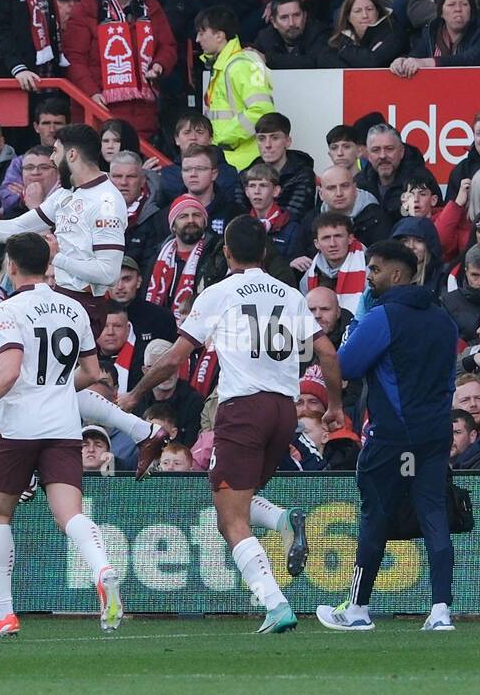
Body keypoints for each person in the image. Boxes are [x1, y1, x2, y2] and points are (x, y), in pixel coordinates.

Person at [124, 218, 341, 633]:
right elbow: (328, 355)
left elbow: (172, 358)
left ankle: (274, 603)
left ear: (226, 253)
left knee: (229, 519)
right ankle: (281, 520)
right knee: (232, 497)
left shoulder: (219, 293)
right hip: (283, 411)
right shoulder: (289, 294)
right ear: (264, 252)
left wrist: (135, 395)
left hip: (242, 409)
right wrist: (335, 407)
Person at [0, 123, 170, 476]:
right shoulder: (67, 194)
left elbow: (108, 273)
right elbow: (17, 228)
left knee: (28, 382)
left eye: (56, 152)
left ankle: (25, 468)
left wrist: (54, 257)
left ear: (72, 154)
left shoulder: (107, 201)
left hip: (84, 305)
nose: (53, 160)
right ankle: (143, 431)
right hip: (61, 298)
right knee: (48, 388)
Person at [315, 239, 457, 632]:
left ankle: (358, 608)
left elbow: (346, 365)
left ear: (396, 274)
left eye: (375, 270)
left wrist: (356, 326)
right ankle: (441, 609)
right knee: (433, 514)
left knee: (374, 515)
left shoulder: (383, 317)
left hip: (391, 434)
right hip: (434, 433)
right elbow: (449, 376)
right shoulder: (443, 318)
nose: (369, 278)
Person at [61, 0, 176, 140]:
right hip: (100, 105)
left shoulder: (149, 7)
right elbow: (74, 58)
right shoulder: (87, 8)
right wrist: (91, 93)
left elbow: (168, 46)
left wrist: (159, 65)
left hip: (142, 109)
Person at [197, 5, 275, 172]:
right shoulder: (223, 66)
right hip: (231, 160)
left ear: (219, 35)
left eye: (202, 33)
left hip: (244, 162)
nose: (198, 39)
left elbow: (261, 111)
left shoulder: (240, 65)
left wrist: (222, 139)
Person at [390, 0, 480, 75]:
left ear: (471, 10)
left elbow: (474, 59)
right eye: (451, 5)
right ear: (441, 12)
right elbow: (416, 56)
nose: (458, 9)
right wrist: (402, 61)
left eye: (464, 4)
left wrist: (430, 63)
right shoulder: (432, 31)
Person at [253, 0, 330, 69]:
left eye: (296, 15)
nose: (291, 23)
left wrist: (268, 59)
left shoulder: (319, 33)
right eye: (284, 17)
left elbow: (314, 62)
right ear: (274, 22)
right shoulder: (265, 37)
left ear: (305, 16)